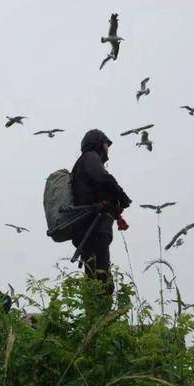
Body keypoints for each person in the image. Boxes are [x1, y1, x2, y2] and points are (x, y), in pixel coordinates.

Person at [70, 129, 132, 301]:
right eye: (106, 144)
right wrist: (121, 195)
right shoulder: (90, 158)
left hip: (89, 228)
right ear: (99, 144)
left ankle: (95, 314)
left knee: (95, 276)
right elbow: (103, 178)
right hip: (94, 227)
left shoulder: (84, 162)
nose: (108, 148)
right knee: (101, 277)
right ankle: (100, 317)